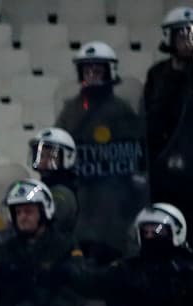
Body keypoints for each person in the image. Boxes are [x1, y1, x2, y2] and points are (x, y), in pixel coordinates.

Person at [55, 41, 148, 264]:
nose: (92, 75)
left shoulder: (122, 109)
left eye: (98, 70)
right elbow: (58, 143)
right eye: (87, 70)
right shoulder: (71, 109)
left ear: (109, 72)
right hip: (81, 186)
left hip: (115, 188)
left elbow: (137, 151)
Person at [143, 7, 193, 255]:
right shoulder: (156, 75)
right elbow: (147, 117)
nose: (188, 42)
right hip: (160, 165)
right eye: (182, 36)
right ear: (170, 38)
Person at [28, 127, 79, 240]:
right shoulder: (44, 187)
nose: (43, 161)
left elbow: (44, 227)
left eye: (52, 156)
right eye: (40, 156)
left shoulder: (62, 193)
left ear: (67, 157)